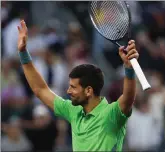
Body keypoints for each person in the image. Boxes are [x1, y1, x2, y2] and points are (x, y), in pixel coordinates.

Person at [17, 20, 139, 151]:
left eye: (73, 87)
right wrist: (23, 52)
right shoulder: (73, 111)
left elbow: (128, 98)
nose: (68, 91)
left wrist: (129, 69)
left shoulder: (111, 114)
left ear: (88, 91)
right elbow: (40, 89)